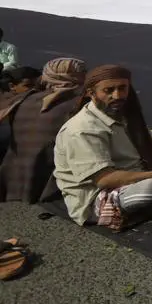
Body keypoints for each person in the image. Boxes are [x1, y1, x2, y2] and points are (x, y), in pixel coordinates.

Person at [52, 65, 152, 229]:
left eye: (122, 88)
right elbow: (104, 179)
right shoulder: (82, 130)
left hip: (137, 172)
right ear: (91, 93)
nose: (117, 95)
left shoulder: (122, 112)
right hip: (99, 195)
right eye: (108, 90)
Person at [0, 58, 87, 203]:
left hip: (15, 172)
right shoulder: (80, 103)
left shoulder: (26, 98)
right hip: (51, 179)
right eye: (83, 72)